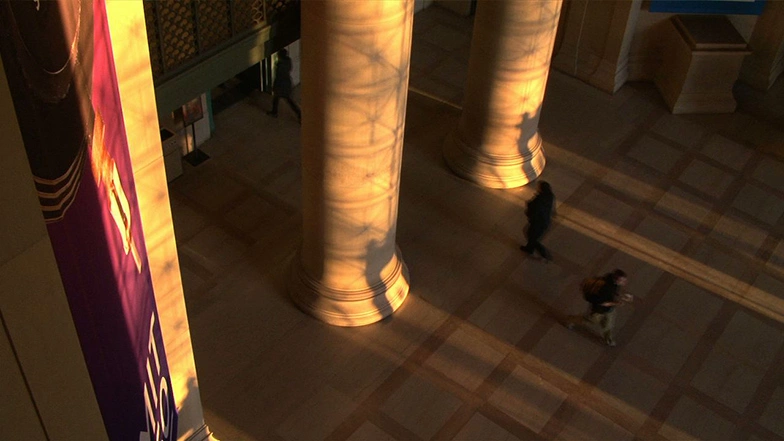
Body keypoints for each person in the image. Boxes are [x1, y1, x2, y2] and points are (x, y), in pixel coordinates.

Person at [567, 269, 631, 347]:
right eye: (622, 281)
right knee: (589, 321)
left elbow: (613, 294)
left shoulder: (612, 281)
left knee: (608, 325)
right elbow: (603, 303)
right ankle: (571, 319)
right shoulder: (606, 288)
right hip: (599, 310)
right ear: (617, 280)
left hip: (609, 310)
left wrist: (621, 297)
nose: (624, 282)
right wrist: (617, 303)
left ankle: (608, 339)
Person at [520, 180, 555, 261]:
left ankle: (544, 253)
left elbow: (535, 208)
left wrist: (529, 205)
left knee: (532, 237)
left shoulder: (540, 198)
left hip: (538, 222)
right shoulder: (550, 196)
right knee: (531, 235)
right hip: (544, 221)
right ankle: (529, 248)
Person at [267, 48, 301, 122]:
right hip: (287, 83)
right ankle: (299, 114)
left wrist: (274, 86)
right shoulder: (288, 61)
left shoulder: (280, 65)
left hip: (281, 85)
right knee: (289, 100)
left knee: (278, 98)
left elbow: (278, 77)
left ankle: (274, 112)